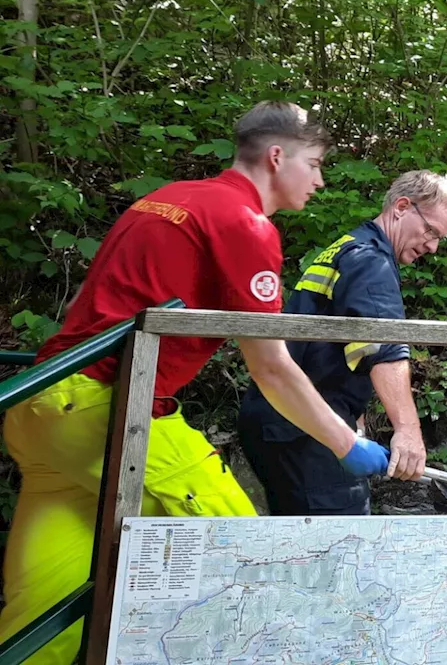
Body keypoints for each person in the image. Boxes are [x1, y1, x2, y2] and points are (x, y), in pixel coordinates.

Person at [0, 102, 391, 664]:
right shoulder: (246, 222)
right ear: (277, 157)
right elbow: (271, 366)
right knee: (251, 564)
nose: (320, 178)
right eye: (314, 163)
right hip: (110, 412)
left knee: (45, 614)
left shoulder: (169, 197)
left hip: (41, 404)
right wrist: (345, 443)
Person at [236, 170, 447, 515]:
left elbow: (331, 346)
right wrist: (408, 432)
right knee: (341, 543)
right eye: (430, 230)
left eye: (440, 238)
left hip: (284, 419)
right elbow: (382, 347)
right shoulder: (371, 261)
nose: (432, 245)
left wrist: (354, 421)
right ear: (402, 207)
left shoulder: (345, 248)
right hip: (304, 430)